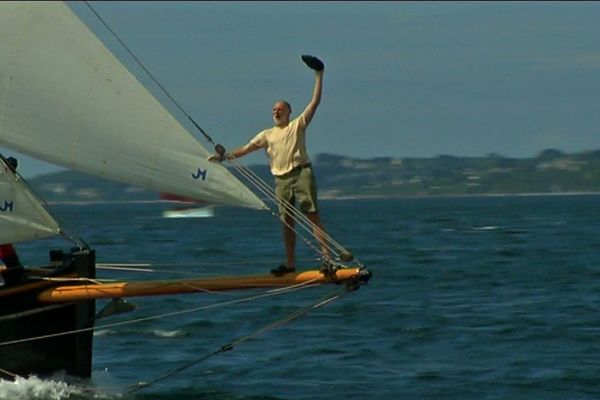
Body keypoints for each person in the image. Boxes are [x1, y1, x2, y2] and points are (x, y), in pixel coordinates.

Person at [209, 55, 330, 275]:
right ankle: (290, 264)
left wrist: (318, 75)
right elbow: (245, 150)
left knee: (312, 215)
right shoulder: (267, 134)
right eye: (274, 109)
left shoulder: (297, 125)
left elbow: (315, 103)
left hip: (301, 173)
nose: (276, 111)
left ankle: (327, 260)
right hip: (280, 179)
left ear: (289, 112)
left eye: (280, 109)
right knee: (287, 222)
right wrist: (223, 156)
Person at [0, 156, 26, 285]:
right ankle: (15, 271)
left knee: (5, 245)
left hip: (4, 231)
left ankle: (15, 271)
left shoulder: (9, 183)